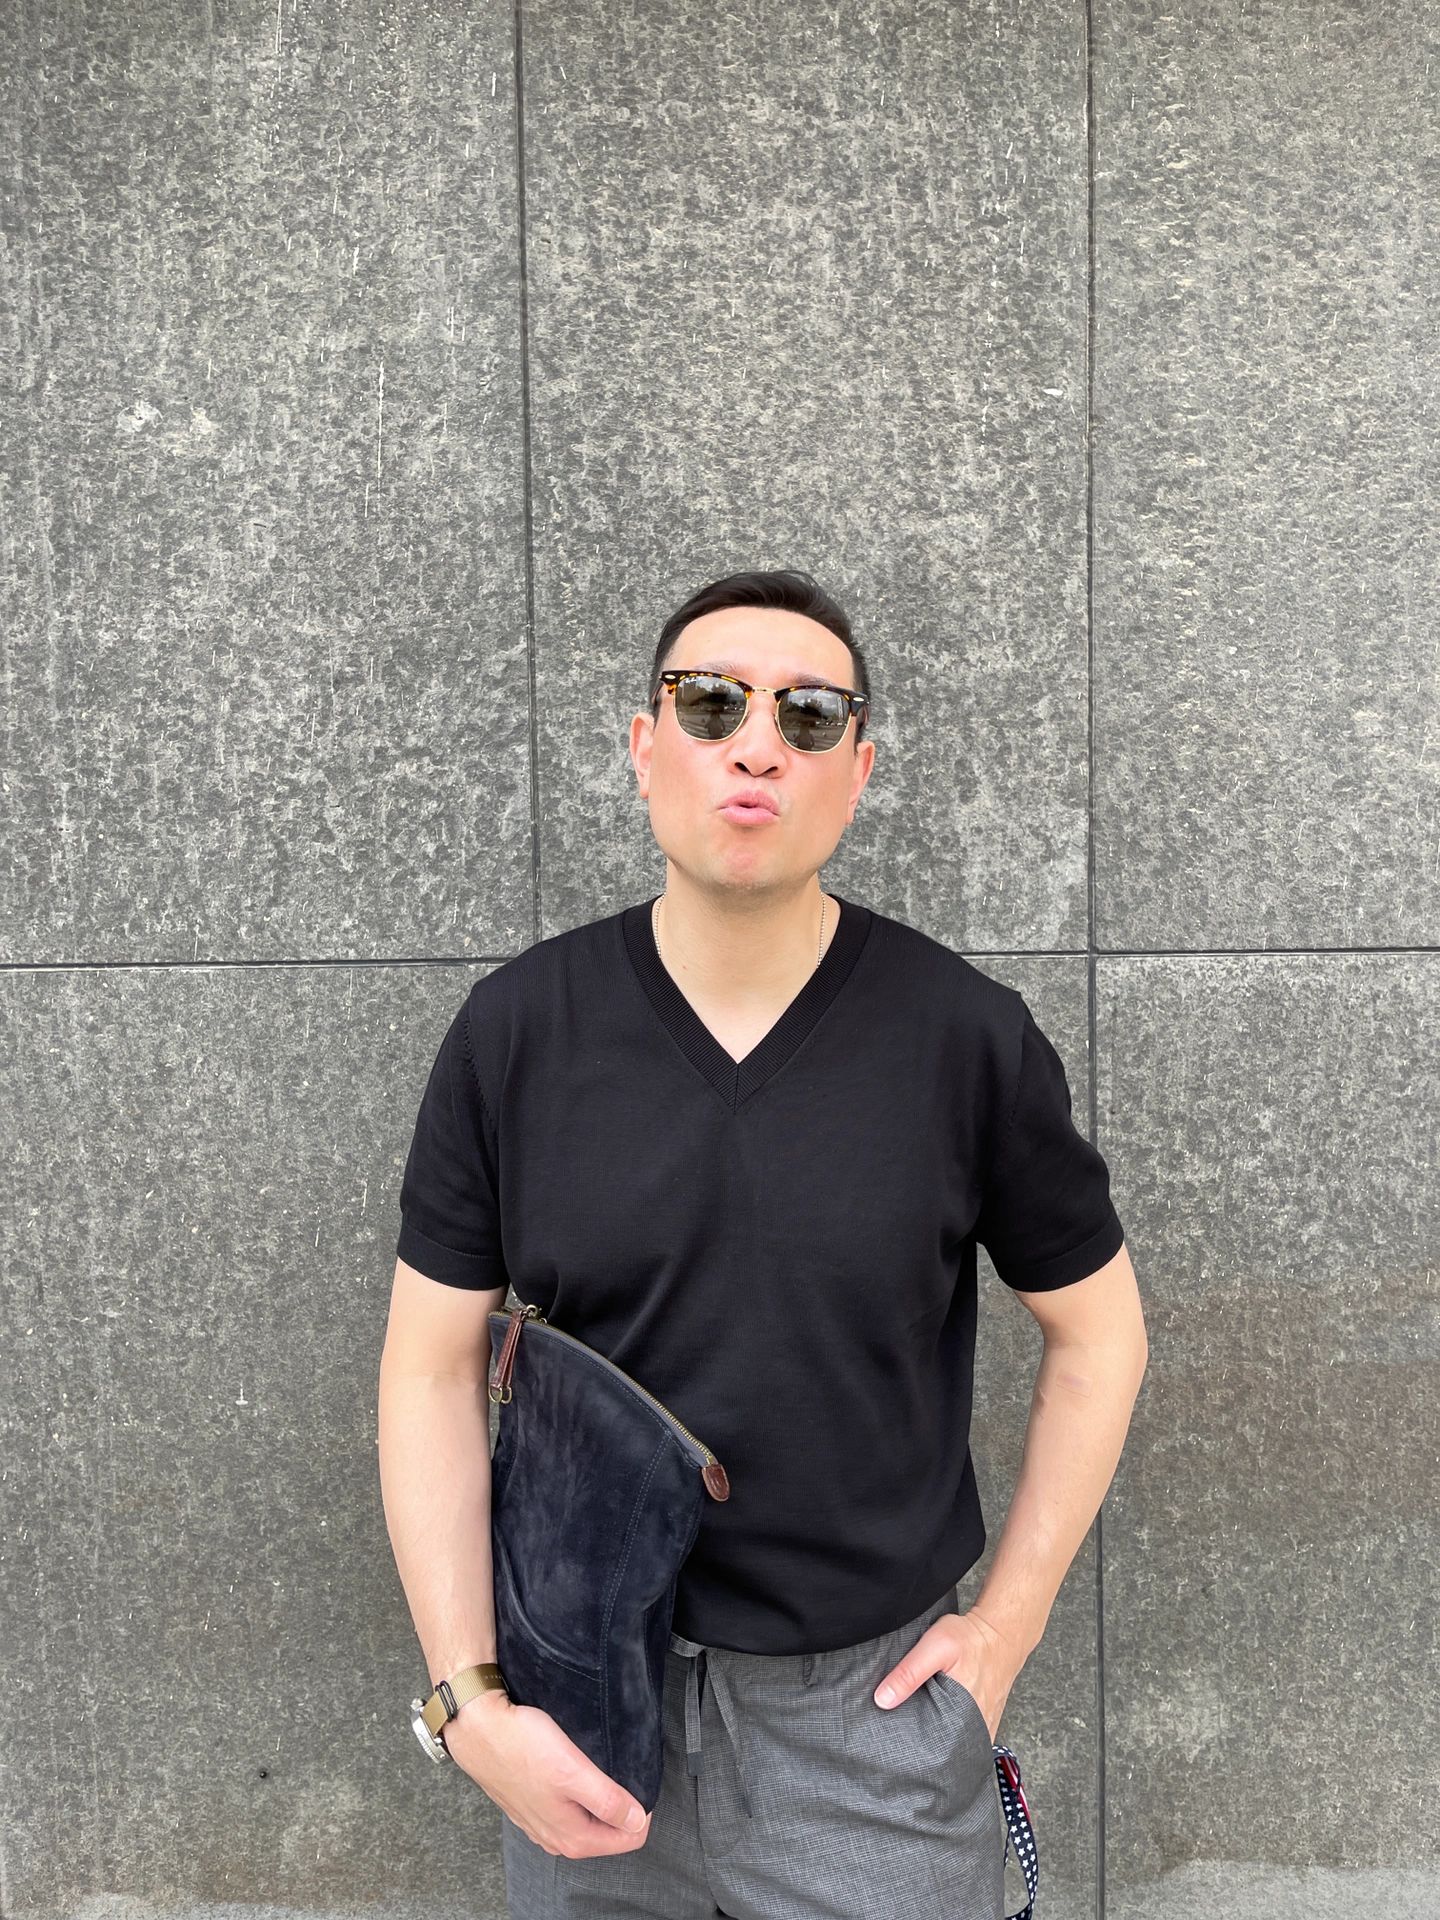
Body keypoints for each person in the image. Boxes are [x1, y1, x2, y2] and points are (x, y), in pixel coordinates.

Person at [377, 567, 1149, 1919]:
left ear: (857, 770)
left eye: (807, 716)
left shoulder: (965, 1040)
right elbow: (428, 1368)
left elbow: (1100, 1334)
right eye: (710, 703)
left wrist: (1005, 1632)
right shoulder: (518, 1033)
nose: (755, 744)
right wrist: (471, 1699)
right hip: (581, 1716)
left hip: (871, 1726)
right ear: (644, 746)